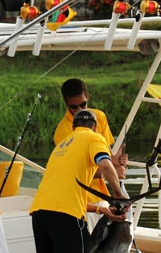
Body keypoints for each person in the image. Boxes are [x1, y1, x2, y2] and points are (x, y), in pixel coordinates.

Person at [29, 109, 129, 253]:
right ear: (95, 127)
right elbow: (105, 165)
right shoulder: (94, 137)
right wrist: (118, 194)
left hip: (40, 214)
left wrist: (103, 210)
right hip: (67, 215)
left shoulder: (61, 145)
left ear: (73, 127)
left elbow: (64, 197)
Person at [53, 78, 127, 214]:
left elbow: (107, 155)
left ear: (87, 97)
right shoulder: (63, 132)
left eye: (83, 105)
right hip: (81, 200)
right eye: (73, 107)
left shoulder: (99, 116)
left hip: (102, 195)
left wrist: (115, 162)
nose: (79, 110)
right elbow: (75, 172)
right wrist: (112, 172)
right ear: (66, 103)